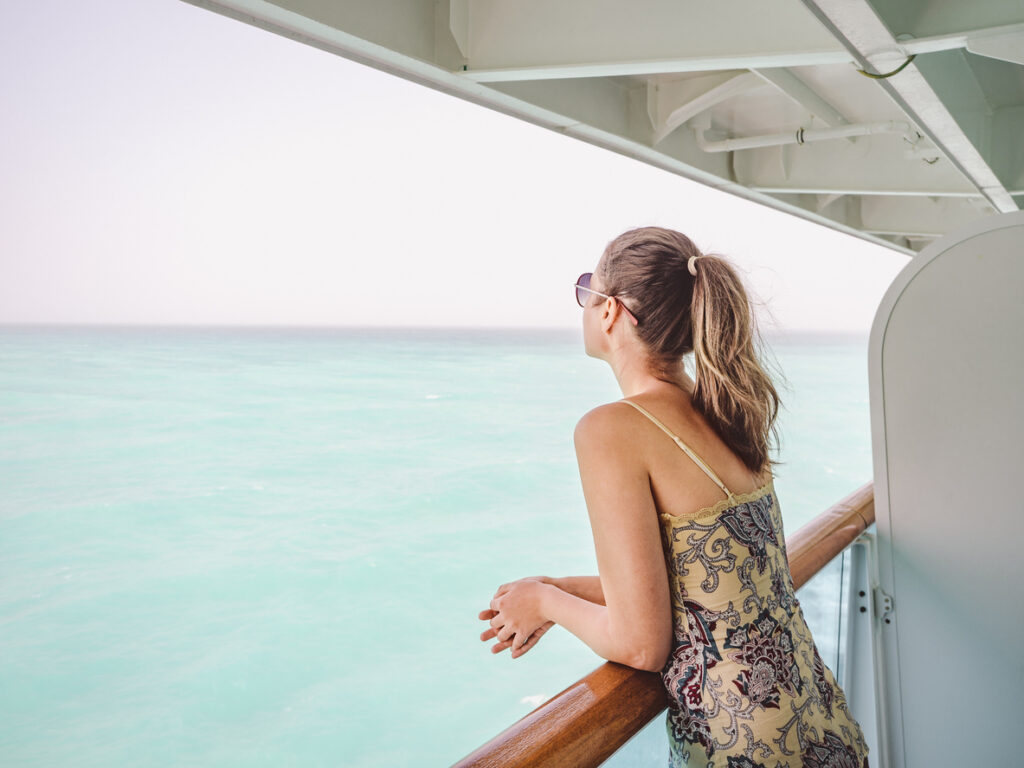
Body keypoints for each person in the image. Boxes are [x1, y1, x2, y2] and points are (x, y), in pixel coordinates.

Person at [477, 227, 869, 767]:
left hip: (743, 749)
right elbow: (709, 589)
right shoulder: (722, 407)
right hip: (818, 724)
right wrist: (558, 587)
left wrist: (547, 604)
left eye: (586, 289)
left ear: (610, 310)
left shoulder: (610, 429)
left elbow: (642, 644)